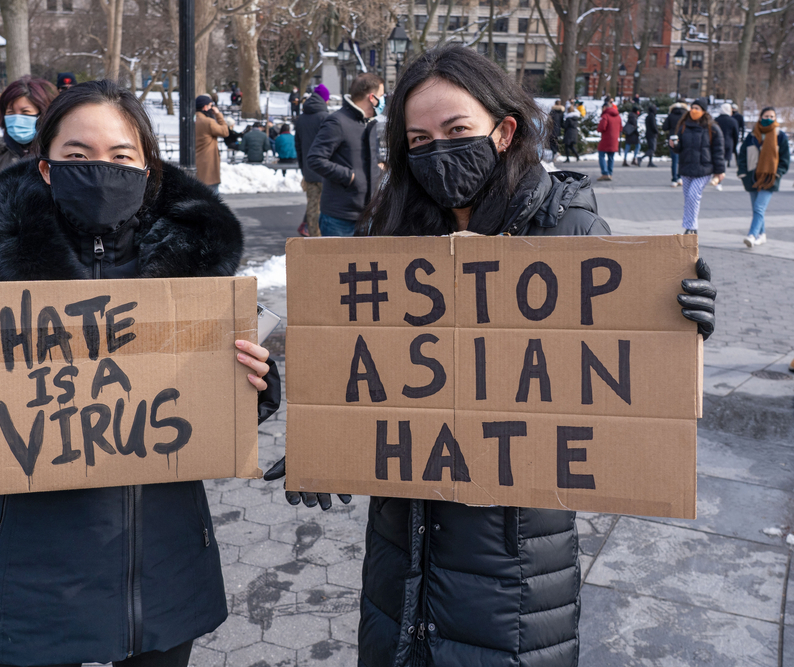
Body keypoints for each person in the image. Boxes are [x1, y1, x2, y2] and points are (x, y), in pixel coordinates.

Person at [267, 44, 716, 667]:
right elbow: (367, 365)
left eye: (457, 131)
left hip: (516, 565)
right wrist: (331, 434)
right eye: (419, 140)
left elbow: (620, 371)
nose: (438, 151)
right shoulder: (391, 236)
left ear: (503, 131)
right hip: (403, 547)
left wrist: (676, 319)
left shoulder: (568, 231)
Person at [0, 79, 282, 667]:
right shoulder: (0, 274)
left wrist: (256, 383)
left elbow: (220, 405)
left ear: (148, 167)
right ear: (45, 168)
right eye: (77, 156)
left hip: (164, 565)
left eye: (121, 156)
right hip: (36, 572)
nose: (102, 169)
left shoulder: (193, 278)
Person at [306, 72, 384, 236]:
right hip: (340, 217)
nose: (383, 101)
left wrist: (380, 166)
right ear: (372, 97)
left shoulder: (368, 123)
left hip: (369, 214)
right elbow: (315, 158)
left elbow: (368, 157)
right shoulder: (337, 121)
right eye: (381, 96)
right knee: (337, 263)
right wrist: (349, 176)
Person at [671, 97, 726, 234]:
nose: (693, 110)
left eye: (697, 108)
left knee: (693, 195)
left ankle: (691, 227)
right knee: (688, 198)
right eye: (692, 108)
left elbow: (718, 150)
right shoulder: (684, 125)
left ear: (703, 111)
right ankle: (690, 226)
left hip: (704, 169)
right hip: (686, 168)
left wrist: (720, 171)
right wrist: (673, 146)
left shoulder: (711, 127)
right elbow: (679, 147)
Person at [0, 76, 58, 182]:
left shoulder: (56, 154)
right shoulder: (1, 153)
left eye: (25, 112)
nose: (16, 119)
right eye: (10, 112)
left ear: (43, 115)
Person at [738, 106, 789, 247]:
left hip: (770, 178)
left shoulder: (780, 136)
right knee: (756, 208)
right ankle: (762, 234)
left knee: (759, 208)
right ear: (760, 117)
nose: (769, 119)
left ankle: (752, 235)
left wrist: (778, 173)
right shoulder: (753, 135)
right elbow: (742, 154)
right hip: (752, 177)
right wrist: (742, 173)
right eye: (766, 116)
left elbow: (785, 159)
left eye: (772, 117)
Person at [295, 87, 330, 236]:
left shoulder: (301, 118)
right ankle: (322, 237)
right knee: (326, 207)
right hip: (325, 170)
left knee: (312, 205)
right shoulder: (326, 117)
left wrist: (304, 168)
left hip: (309, 170)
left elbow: (298, 146)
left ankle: (313, 236)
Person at [194, 94, 230, 195]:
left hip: (196, 163)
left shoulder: (193, 120)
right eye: (210, 105)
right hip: (208, 165)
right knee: (213, 196)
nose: (212, 108)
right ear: (205, 107)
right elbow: (225, 132)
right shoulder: (208, 122)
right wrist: (218, 115)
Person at [663, 101, 689, 186]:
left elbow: (664, 127)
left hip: (673, 138)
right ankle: (680, 178)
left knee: (674, 160)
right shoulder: (685, 116)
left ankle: (674, 179)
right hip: (683, 138)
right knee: (682, 160)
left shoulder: (671, 115)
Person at [596, 101, 622, 181]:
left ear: (605, 107)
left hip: (606, 139)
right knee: (611, 157)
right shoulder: (618, 116)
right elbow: (621, 128)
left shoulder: (605, 115)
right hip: (614, 140)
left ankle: (605, 173)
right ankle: (610, 173)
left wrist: (598, 128)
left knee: (601, 155)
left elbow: (602, 127)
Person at [715, 103, 740, 168]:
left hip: (717, 143)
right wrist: (735, 144)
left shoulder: (716, 120)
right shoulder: (733, 121)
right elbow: (736, 134)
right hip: (728, 143)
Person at [643, 103, 659, 167]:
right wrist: (657, 131)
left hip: (648, 134)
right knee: (652, 149)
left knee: (651, 148)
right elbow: (653, 126)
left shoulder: (648, 116)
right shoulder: (652, 116)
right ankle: (641, 158)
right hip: (652, 134)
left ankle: (650, 162)